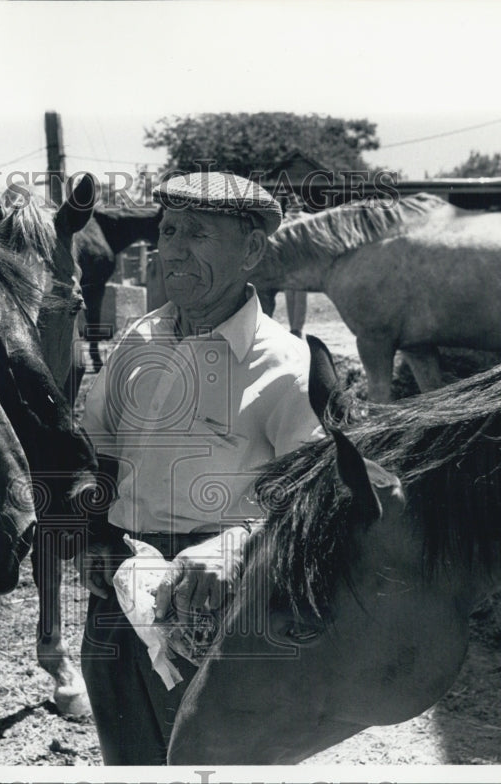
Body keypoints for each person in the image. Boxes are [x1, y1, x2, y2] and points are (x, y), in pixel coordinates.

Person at [76, 171, 324, 764]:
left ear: (251, 250)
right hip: (118, 579)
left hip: (217, 599)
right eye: (168, 230)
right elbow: (98, 448)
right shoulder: (140, 339)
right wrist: (93, 537)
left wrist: (237, 545)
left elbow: (317, 497)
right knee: (127, 751)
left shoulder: (287, 366)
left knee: (207, 757)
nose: (174, 249)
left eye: (198, 233)